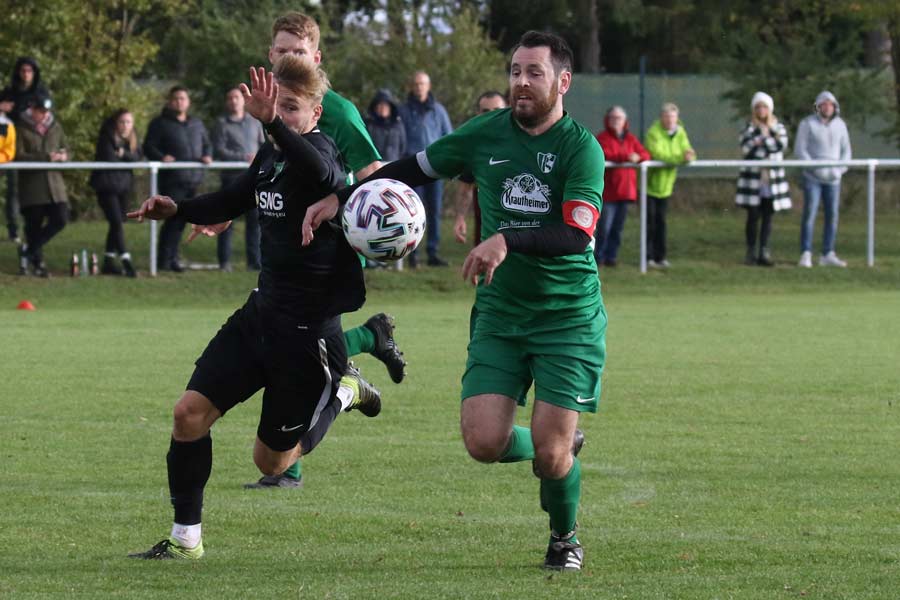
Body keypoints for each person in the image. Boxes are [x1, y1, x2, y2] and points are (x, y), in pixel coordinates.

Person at [302, 31, 605, 572]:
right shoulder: (484, 133)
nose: (521, 82)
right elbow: (411, 169)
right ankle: (557, 443)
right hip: (501, 314)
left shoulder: (580, 148)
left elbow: (576, 234)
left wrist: (506, 239)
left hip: (567, 319)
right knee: (483, 441)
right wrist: (343, 195)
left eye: (534, 73)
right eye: (515, 71)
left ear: (563, 82)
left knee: (551, 454)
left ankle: (565, 538)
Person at [127, 59, 383, 560]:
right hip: (260, 316)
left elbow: (324, 173)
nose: (281, 115)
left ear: (315, 114)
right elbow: (232, 199)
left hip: (307, 336)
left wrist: (270, 122)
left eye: (292, 108)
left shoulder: (321, 153)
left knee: (271, 463)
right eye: (276, 106)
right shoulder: (270, 157)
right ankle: (186, 540)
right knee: (188, 414)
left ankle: (345, 392)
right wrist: (178, 210)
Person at [187, 11, 406, 490]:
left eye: (300, 52)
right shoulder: (268, 100)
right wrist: (229, 208)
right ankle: (290, 459)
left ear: (317, 58)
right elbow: (268, 174)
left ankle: (329, 404)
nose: (291, 58)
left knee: (307, 341)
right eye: (283, 51)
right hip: (284, 263)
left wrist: (341, 202)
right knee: (289, 346)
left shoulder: (336, 111)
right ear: (270, 54)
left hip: (327, 253)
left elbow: (373, 174)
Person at [143, 86, 212, 272]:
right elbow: (148, 147)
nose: (179, 102)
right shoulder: (159, 123)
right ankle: (164, 261)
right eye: (176, 98)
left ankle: (172, 259)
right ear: (170, 102)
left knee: (182, 220)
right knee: (173, 220)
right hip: (172, 179)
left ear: (188, 102)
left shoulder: (196, 123)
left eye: (183, 98)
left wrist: (207, 155)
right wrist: (161, 157)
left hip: (193, 179)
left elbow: (207, 144)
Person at [397, 70, 453, 267]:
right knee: (412, 212)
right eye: (416, 84)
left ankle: (432, 253)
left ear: (428, 86)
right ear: (411, 87)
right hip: (412, 167)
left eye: (422, 84)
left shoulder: (439, 111)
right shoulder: (403, 110)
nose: (419, 87)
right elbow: (397, 136)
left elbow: (449, 136)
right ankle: (413, 253)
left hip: (435, 167)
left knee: (434, 211)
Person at [795, 91, 851, 268]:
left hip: (833, 179)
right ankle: (806, 253)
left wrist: (839, 170)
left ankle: (828, 253)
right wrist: (815, 168)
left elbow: (846, 151)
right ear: (818, 107)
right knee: (810, 213)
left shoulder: (840, 125)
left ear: (835, 107)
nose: (827, 107)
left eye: (830, 104)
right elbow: (800, 150)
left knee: (832, 215)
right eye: (824, 104)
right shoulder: (807, 124)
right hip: (812, 178)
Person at [211, 87, 266, 271]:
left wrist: (257, 159)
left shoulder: (255, 122)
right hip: (231, 178)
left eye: (236, 97)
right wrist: (243, 157)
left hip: (253, 179)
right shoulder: (221, 124)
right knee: (226, 222)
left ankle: (254, 262)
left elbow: (263, 146)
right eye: (230, 97)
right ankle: (224, 262)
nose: (233, 100)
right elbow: (219, 149)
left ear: (243, 100)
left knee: (255, 222)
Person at [15, 94, 69, 277]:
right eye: (40, 111)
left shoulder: (56, 127)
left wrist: (64, 156)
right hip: (32, 188)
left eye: (46, 111)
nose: (44, 115)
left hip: (55, 186)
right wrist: (45, 157)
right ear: (32, 109)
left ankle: (28, 250)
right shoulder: (21, 128)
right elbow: (18, 155)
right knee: (33, 225)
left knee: (61, 219)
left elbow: (66, 148)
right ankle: (38, 264)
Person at [735, 91, 791, 267]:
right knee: (753, 215)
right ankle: (750, 251)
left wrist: (761, 141)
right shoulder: (748, 127)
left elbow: (780, 146)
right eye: (758, 107)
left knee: (768, 216)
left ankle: (764, 252)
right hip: (753, 179)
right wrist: (765, 140)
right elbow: (747, 149)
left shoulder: (778, 127)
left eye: (764, 107)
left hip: (771, 179)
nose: (761, 110)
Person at [1, 57, 50, 243]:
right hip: (10, 145)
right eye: (23, 70)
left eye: (29, 70)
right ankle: (14, 230)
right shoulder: (9, 92)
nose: (26, 74)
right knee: (13, 189)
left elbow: (48, 119)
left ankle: (34, 226)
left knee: (35, 188)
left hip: (33, 146)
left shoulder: (41, 93)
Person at [594, 105, 650, 267]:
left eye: (618, 118)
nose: (615, 121)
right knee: (604, 227)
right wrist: (627, 156)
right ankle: (598, 257)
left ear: (625, 121)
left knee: (617, 228)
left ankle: (611, 257)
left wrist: (637, 157)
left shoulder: (631, 139)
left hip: (626, 192)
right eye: (612, 117)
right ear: (607, 120)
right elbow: (604, 154)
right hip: (609, 192)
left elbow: (645, 154)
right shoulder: (602, 138)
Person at [90, 109, 141, 277]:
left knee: (117, 223)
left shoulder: (132, 139)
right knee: (116, 222)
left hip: (123, 187)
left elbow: (138, 157)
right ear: (116, 123)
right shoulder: (106, 137)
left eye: (129, 122)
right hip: (106, 186)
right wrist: (127, 157)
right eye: (122, 122)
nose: (125, 125)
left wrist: (124, 154)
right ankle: (126, 260)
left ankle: (108, 261)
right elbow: (110, 158)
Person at [643, 103, 695, 268]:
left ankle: (660, 257)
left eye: (672, 116)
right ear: (661, 117)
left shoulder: (680, 132)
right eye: (666, 116)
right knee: (650, 223)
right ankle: (647, 257)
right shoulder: (653, 133)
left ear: (677, 118)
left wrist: (689, 156)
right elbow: (659, 154)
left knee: (662, 223)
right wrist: (680, 158)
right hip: (649, 185)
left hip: (666, 186)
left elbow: (688, 151)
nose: (670, 120)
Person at [454, 91, 507, 246]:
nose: (491, 115)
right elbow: (465, 187)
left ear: (507, 110)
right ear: (478, 114)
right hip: (486, 225)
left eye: (497, 110)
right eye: (485, 111)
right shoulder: (475, 146)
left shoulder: (524, 139)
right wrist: (460, 217)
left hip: (521, 225)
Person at [365, 88, 406, 163]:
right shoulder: (368, 124)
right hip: (374, 164)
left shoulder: (398, 124)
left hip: (393, 164)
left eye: (386, 104)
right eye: (380, 104)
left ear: (391, 107)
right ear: (375, 107)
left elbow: (402, 147)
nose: (383, 107)